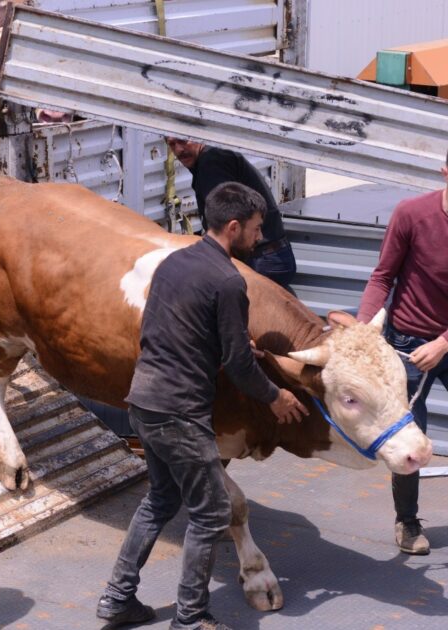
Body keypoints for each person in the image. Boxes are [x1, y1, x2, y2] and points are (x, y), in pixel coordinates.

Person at [96, 182, 307, 630]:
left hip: (144, 400)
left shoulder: (176, 261)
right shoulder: (229, 281)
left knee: (160, 499)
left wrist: (222, 343)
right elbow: (239, 366)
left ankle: (117, 600)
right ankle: (190, 618)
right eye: (254, 228)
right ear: (233, 226)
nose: (258, 236)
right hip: (179, 411)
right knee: (211, 512)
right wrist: (277, 397)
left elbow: (168, 327)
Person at [356, 138, 448, 558]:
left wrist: (444, 343)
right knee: (407, 445)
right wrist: (363, 327)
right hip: (405, 347)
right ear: (445, 173)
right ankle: (406, 522)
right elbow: (383, 276)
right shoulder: (411, 214)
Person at [166, 137, 297, 292]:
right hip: (271, 256)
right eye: (172, 144)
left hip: (261, 259)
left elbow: (224, 220)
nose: (179, 150)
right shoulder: (212, 157)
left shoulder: (212, 163)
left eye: (183, 141)